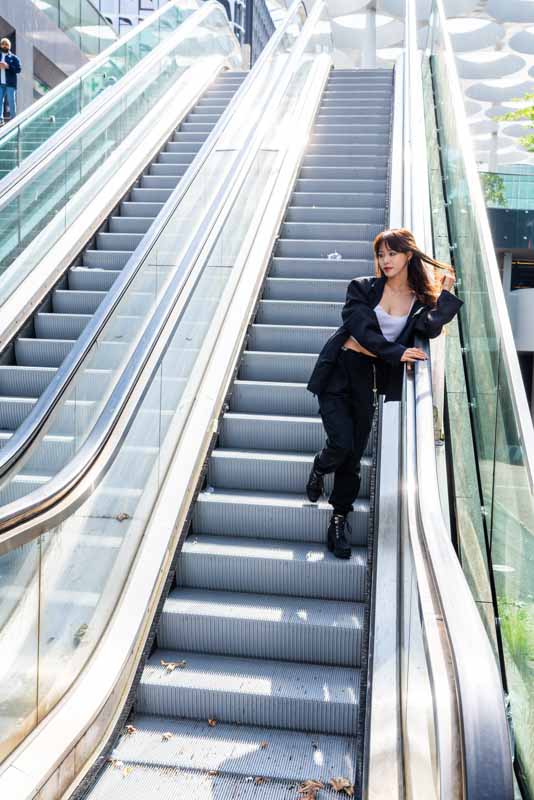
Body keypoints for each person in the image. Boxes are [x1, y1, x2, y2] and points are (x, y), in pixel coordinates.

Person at [305, 227, 463, 559]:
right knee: (341, 444)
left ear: (408, 255)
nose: (386, 260)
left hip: (369, 380)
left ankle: (339, 519)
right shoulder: (361, 288)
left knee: (353, 455)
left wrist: (445, 295)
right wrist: (396, 352)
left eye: (392, 253)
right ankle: (320, 466)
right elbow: (362, 331)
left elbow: (430, 327)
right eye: (381, 254)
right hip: (339, 372)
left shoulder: (418, 301)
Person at [0, 38, 21, 123]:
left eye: (6, 45)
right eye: (3, 44)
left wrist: (8, 66)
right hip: (0, 84)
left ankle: (13, 120)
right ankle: (0, 119)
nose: (4, 46)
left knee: (11, 102)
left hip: (10, 84)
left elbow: (18, 69)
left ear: (9, 46)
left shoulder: (14, 58)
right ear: (1, 45)